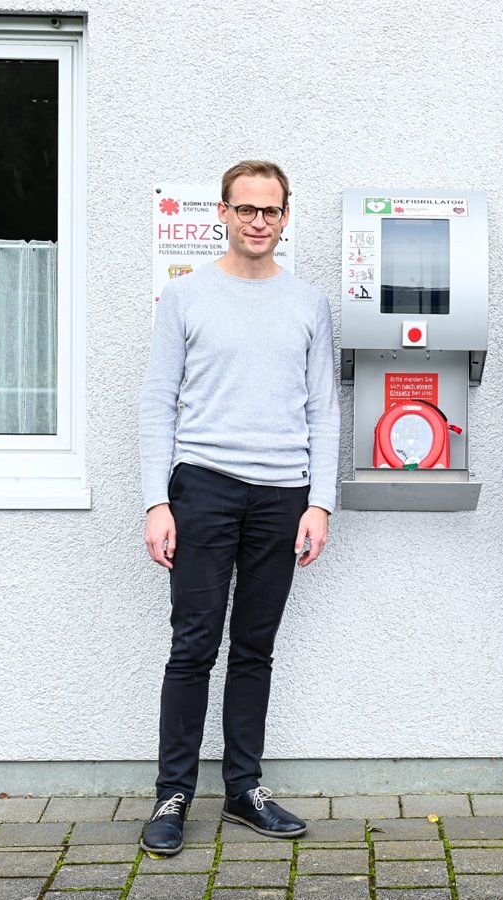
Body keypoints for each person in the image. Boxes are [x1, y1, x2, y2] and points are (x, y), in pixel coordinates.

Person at [137, 160, 340, 856]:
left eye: (271, 210)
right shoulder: (187, 297)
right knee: (193, 646)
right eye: (246, 208)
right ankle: (173, 795)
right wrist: (155, 502)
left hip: (282, 496)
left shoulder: (309, 303)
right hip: (203, 489)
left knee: (254, 648)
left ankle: (244, 789)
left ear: (286, 217)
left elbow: (324, 409)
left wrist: (321, 504)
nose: (259, 221)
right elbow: (157, 401)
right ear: (222, 213)